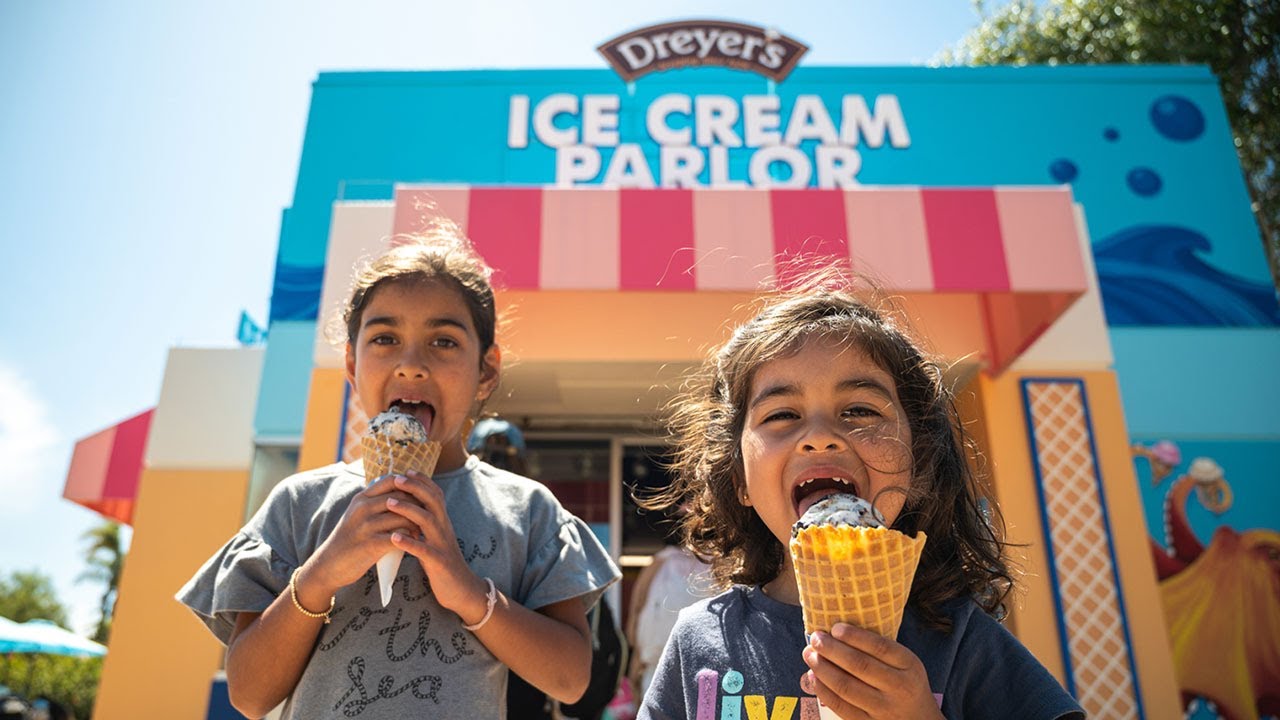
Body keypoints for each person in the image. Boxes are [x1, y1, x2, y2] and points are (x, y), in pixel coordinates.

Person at [178, 224, 621, 719]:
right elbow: (249, 694)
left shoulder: (528, 510)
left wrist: (469, 592)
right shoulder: (299, 502)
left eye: (444, 342)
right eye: (385, 338)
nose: (412, 365)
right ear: (351, 364)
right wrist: (323, 573)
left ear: (487, 371)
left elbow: (569, 678)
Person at [637, 270, 1086, 720]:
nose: (820, 437)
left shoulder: (962, 640)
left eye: (859, 410)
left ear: (919, 463)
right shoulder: (698, 641)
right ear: (739, 480)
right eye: (782, 414)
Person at [625, 518, 710, 699]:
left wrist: (635, 650)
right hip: (702, 668)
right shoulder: (720, 567)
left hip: (657, 661)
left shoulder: (660, 562)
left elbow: (637, 608)